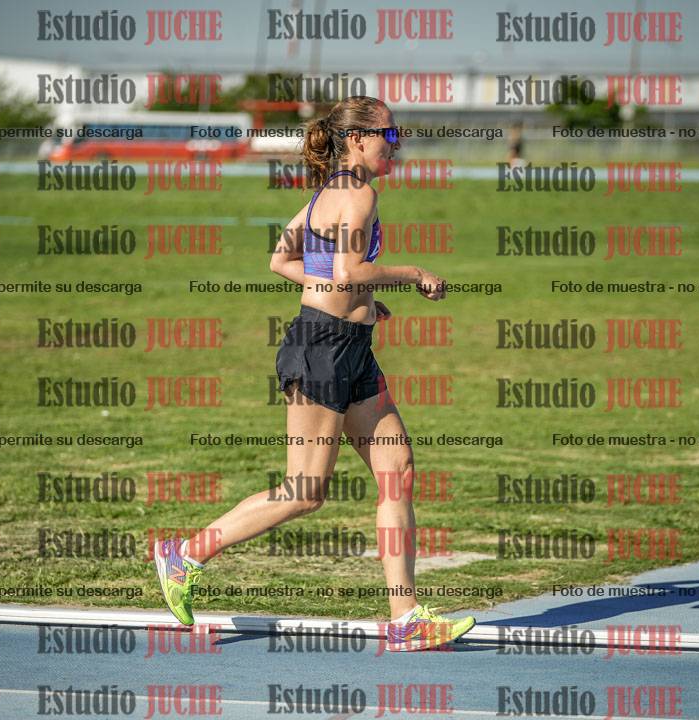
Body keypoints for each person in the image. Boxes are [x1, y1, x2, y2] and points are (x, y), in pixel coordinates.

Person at [155, 95, 474, 652]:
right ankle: (185, 555)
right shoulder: (358, 193)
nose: (395, 144)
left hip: (352, 347)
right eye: (388, 135)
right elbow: (349, 270)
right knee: (304, 491)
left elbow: (282, 260)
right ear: (357, 139)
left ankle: (406, 618)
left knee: (396, 469)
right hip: (322, 349)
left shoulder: (329, 192)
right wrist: (413, 273)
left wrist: (357, 302)